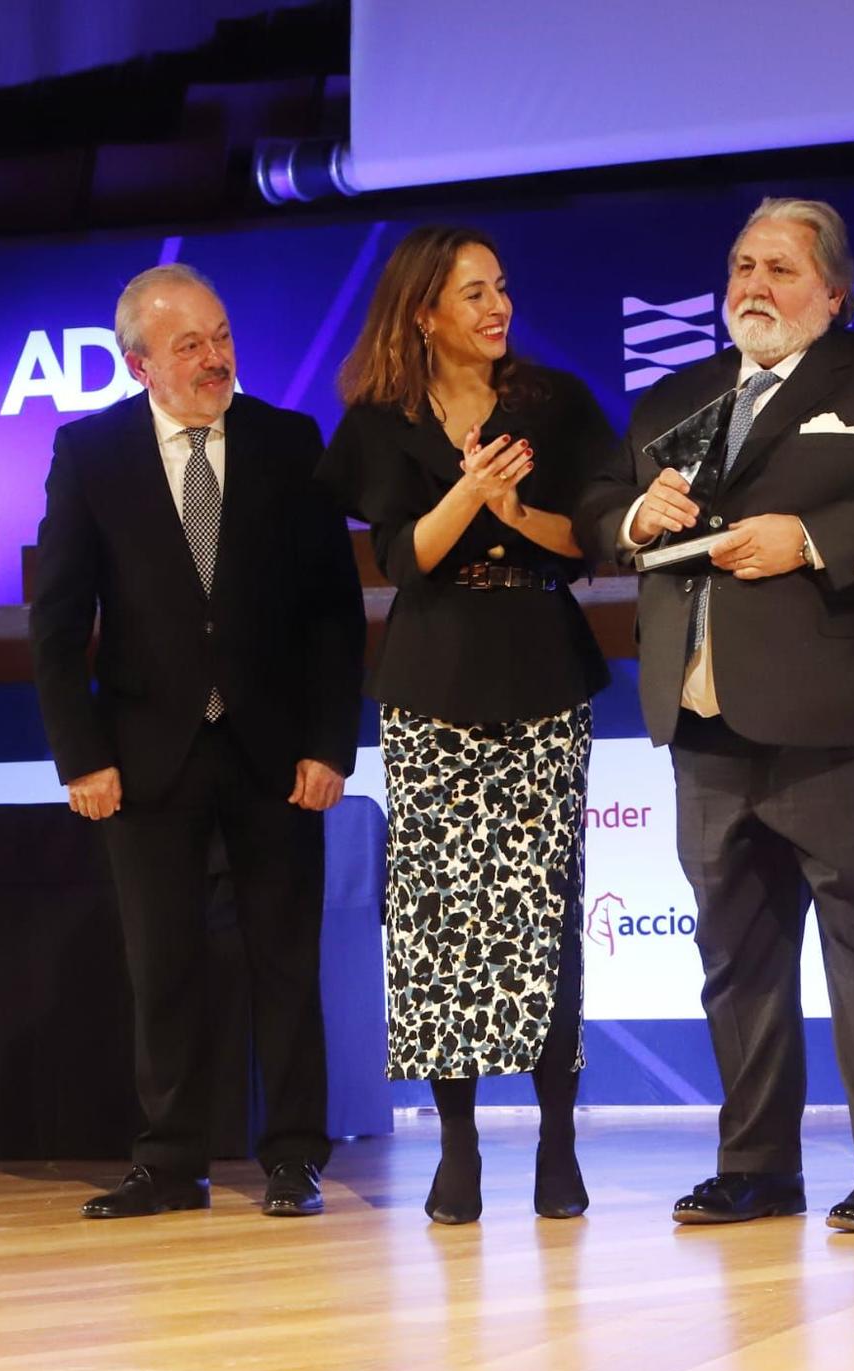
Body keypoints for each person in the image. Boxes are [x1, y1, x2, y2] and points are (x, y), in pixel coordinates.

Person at [577, 198, 854, 1233]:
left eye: (782, 270)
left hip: (848, 723)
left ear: (833, 293)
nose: (754, 286)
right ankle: (754, 1162)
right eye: (741, 266)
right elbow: (598, 507)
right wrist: (631, 516)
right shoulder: (675, 398)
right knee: (735, 956)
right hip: (705, 724)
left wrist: (805, 535)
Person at [29, 263, 364, 1219]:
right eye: (190, 345)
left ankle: (296, 1154)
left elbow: (333, 616)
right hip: (142, 756)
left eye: (220, 335)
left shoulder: (289, 442)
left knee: (285, 962)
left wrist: (330, 744)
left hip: (275, 752)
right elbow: (57, 618)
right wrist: (80, 754)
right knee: (162, 965)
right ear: (140, 364)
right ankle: (172, 1162)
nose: (216, 357)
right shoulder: (90, 454)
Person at [316, 225, 613, 1225]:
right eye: (473, 293)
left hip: (538, 656)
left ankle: (558, 1140)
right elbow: (402, 560)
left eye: (502, 288)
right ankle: (455, 1145)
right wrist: (467, 491)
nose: (497, 308)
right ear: (423, 313)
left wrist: (514, 509)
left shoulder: (552, 404)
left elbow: (587, 543)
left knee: (542, 915)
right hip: (431, 671)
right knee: (440, 920)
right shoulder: (377, 422)